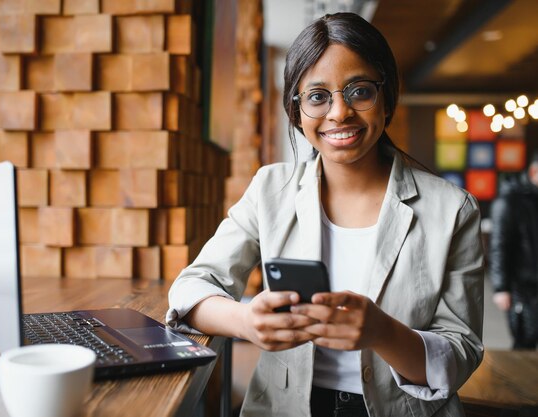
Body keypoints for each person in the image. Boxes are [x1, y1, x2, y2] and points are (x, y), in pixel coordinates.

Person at [167, 12, 484, 417]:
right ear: (296, 112)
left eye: (359, 91)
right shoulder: (270, 189)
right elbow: (191, 288)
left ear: (386, 97)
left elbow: (461, 353)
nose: (339, 113)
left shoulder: (452, 209)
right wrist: (245, 321)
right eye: (318, 96)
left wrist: (382, 332)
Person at [489, 152, 538, 349]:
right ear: (534, 171)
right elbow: (498, 246)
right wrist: (501, 288)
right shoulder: (508, 202)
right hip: (522, 288)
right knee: (525, 343)